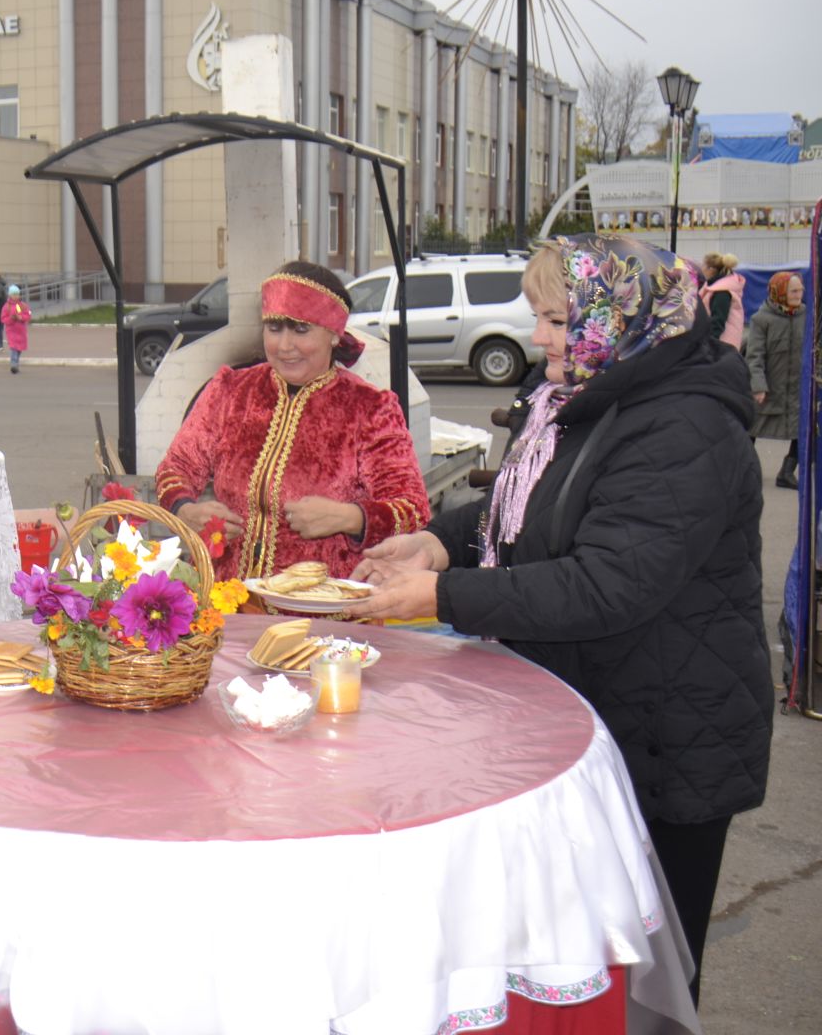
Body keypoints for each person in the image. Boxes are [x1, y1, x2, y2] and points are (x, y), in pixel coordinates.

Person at [353, 235, 772, 1006]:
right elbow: (535, 506)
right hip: (603, 712)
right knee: (574, 965)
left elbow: (606, 583)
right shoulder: (591, 395)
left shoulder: (683, 423)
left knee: (647, 978)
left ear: (613, 320)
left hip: (669, 736)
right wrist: (439, 545)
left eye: (553, 320)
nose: (538, 337)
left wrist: (440, 600)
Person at [154, 261, 430, 581]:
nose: (285, 346)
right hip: (230, 602)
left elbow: (412, 511)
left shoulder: (370, 409)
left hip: (326, 610)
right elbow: (175, 469)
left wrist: (350, 518)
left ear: (334, 335)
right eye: (274, 328)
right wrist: (185, 510)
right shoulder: (229, 391)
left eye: (301, 329)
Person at [747, 271, 804, 490]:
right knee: (752, 430)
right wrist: (758, 385)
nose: (799, 295)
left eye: (800, 290)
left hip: (797, 387)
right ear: (779, 292)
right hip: (770, 388)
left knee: (802, 431)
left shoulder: (806, 315)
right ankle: (748, 469)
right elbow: (755, 355)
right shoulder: (761, 319)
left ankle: (787, 472)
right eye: (794, 291)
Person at [698, 252, 745, 351]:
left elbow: (718, 321)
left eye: (703, 265)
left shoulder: (722, 291)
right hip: (724, 343)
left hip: (722, 345)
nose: (701, 268)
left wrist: (708, 347)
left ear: (711, 269)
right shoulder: (717, 287)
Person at [0, 282, 31, 374]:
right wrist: (11, 318)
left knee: (19, 348)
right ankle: (14, 364)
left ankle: (16, 362)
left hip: (21, 331)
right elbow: (3, 319)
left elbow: (28, 315)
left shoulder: (22, 305)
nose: (16, 296)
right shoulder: (6, 307)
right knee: (13, 347)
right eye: (14, 294)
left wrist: (21, 318)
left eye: (17, 294)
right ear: (10, 295)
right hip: (11, 331)